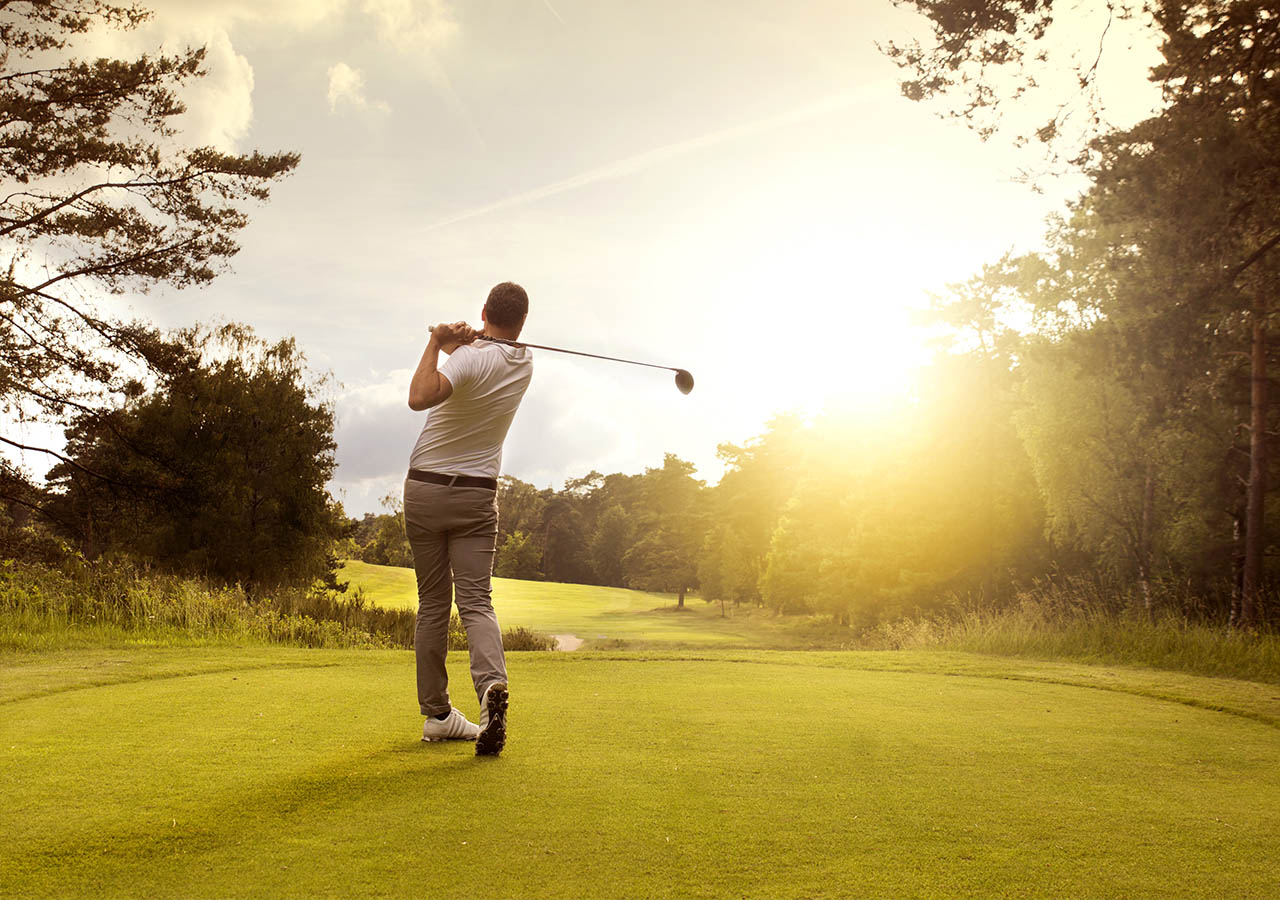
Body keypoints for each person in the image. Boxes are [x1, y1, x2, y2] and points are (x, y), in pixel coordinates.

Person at [404, 281, 533, 756]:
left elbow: (420, 397)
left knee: (434, 604)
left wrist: (436, 342)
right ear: (523, 323)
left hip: (426, 489)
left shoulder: (467, 358)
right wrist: (460, 341)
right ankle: (490, 689)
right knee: (476, 601)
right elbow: (483, 355)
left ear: (484, 311)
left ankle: (438, 715)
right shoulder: (523, 363)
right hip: (477, 496)